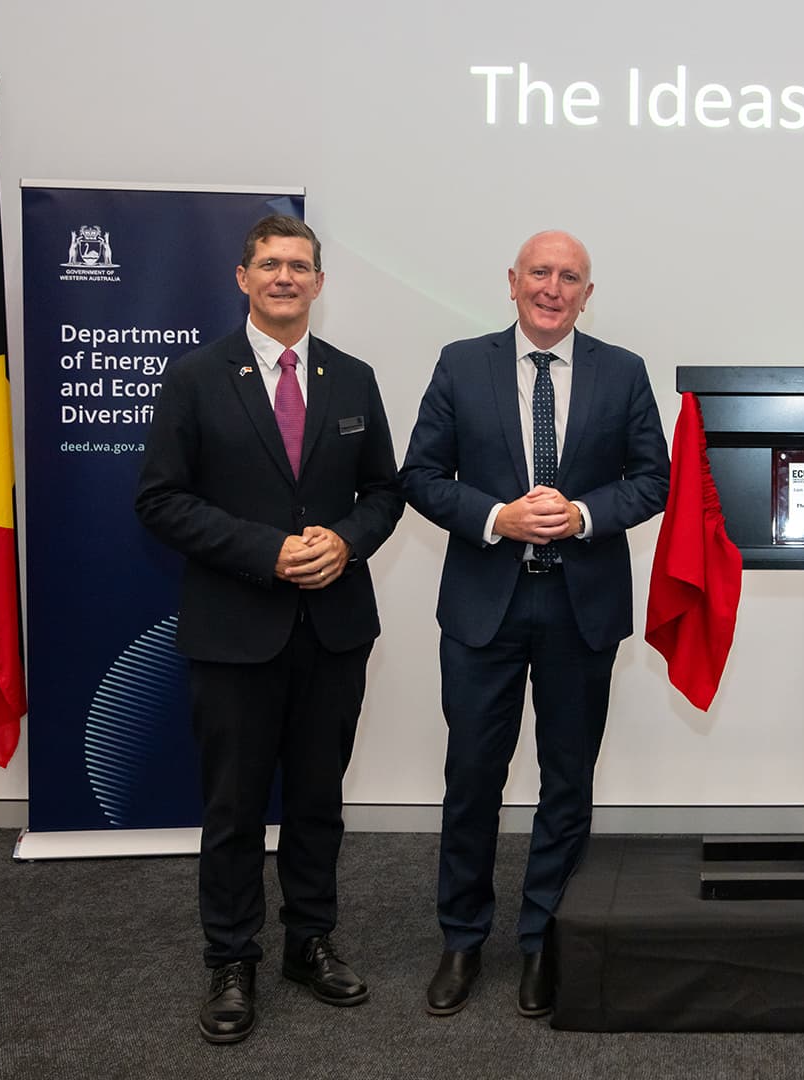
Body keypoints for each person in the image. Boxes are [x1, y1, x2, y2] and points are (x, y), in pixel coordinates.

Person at [135, 213, 404, 1044]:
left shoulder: (353, 378)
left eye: (300, 266)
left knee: (319, 799)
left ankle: (309, 941)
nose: (285, 278)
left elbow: (385, 493)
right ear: (243, 278)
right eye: (270, 265)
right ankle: (231, 959)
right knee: (235, 805)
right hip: (234, 629)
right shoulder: (194, 377)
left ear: (320, 283)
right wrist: (271, 552)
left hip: (333, 629)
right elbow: (162, 500)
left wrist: (345, 540)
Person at [399, 230, 668, 1019]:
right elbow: (419, 475)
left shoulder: (623, 372)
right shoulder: (461, 362)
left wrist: (583, 513)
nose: (554, 288)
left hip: (580, 607)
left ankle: (544, 936)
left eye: (571, 277)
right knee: (472, 778)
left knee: (567, 781)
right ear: (512, 283)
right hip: (486, 606)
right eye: (541, 273)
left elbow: (653, 479)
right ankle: (461, 936)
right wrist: (496, 517)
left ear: (590, 294)